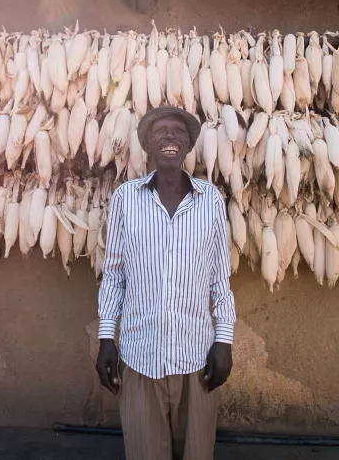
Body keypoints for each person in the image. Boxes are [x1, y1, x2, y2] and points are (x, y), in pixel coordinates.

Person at [96, 106, 236, 460]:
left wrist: (224, 341)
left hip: (196, 358)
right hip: (140, 356)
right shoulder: (126, 200)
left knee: (197, 453)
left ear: (189, 145)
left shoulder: (212, 202)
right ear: (148, 146)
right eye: (160, 132)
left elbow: (220, 279)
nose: (169, 137)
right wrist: (105, 340)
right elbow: (114, 274)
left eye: (177, 132)